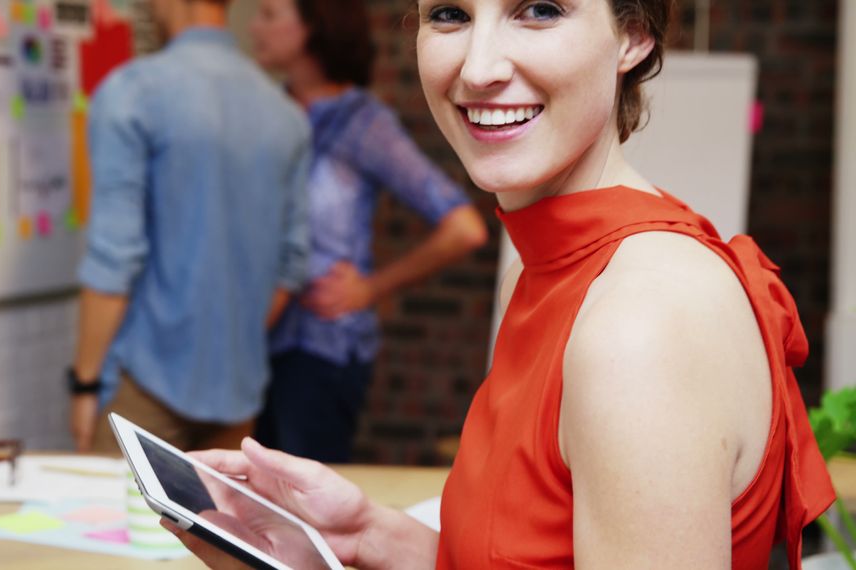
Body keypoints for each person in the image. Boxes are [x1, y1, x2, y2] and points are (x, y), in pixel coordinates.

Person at [165, 0, 836, 567]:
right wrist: (366, 536)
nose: (480, 68)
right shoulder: (553, 262)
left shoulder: (639, 323)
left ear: (633, 34)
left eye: (539, 9)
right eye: (451, 14)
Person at [248, 0, 489, 463]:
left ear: (312, 27)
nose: (256, 27)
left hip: (322, 350)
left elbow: (464, 227)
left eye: (269, 14)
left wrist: (370, 289)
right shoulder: (268, 113)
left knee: (302, 506)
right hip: (256, 338)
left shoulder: (362, 122)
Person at [68, 0, 310, 454]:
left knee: (116, 525)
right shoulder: (284, 114)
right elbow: (291, 264)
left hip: (144, 383)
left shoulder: (133, 92)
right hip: (239, 390)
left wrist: (83, 384)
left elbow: (113, 258)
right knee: (212, 526)